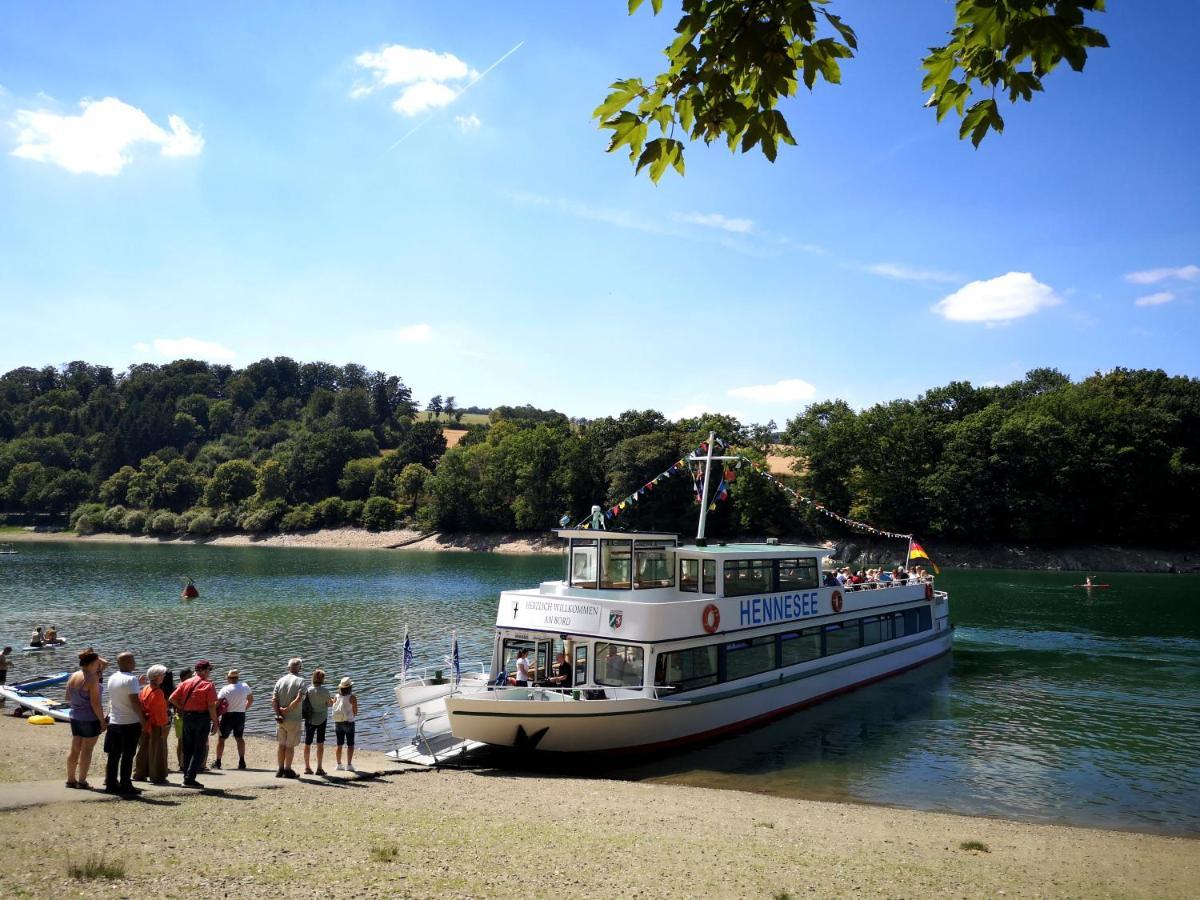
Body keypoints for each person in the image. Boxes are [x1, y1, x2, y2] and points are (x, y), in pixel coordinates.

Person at [169, 660, 218, 788]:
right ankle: (190, 778)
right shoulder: (208, 685)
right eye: (208, 670)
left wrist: (183, 707)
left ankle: (186, 776)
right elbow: (211, 706)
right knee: (199, 749)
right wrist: (216, 722)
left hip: (187, 717)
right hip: (202, 718)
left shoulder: (185, 682)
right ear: (202, 671)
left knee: (188, 748)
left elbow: (172, 698)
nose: (209, 673)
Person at [103, 651, 147, 796]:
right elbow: (134, 702)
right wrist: (143, 719)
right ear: (128, 662)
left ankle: (111, 783)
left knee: (114, 755)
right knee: (128, 755)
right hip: (129, 722)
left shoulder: (112, 677)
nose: (134, 663)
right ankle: (126, 785)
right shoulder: (131, 679)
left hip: (115, 721)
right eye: (133, 660)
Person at [65, 648, 106, 790]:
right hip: (89, 718)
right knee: (87, 750)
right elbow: (95, 703)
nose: (98, 666)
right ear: (91, 664)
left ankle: (70, 780)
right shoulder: (92, 678)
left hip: (75, 716)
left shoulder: (74, 675)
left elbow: (67, 697)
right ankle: (82, 781)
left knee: (75, 749)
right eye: (96, 663)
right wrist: (102, 721)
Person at [134, 665, 170, 784]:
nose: (164, 677)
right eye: (162, 675)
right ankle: (158, 776)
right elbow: (160, 713)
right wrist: (164, 726)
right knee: (158, 750)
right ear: (156, 677)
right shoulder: (158, 692)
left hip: (144, 723)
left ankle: (139, 773)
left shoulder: (145, 689)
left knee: (143, 749)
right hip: (155, 724)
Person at [271, 658, 306, 779]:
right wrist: (288, 709)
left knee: (281, 744)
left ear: (288, 668)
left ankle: (279, 769)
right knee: (290, 746)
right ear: (300, 668)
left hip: (280, 719)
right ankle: (288, 770)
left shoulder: (280, 681)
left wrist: (279, 713)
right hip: (294, 718)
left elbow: (274, 700)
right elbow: (298, 699)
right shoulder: (301, 681)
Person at [214, 669, 253, 771]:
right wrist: (244, 708)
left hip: (228, 716)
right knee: (239, 738)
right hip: (240, 715)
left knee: (221, 739)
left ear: (228, 678)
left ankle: (218, 762)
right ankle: (242, 761)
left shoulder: (225, 689)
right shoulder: (245, 686)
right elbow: (251, 699)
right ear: (237, 677)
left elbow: (217, 703)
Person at [302, 669, 334, 776]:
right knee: (320, 744)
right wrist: (333, 701)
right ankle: (319, 768)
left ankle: (307, 767)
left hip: (310, 719)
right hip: (322, 718)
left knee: (307, 743)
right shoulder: (325, 691)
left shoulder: (308, 690)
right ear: (322, 679)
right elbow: (329, 704)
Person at [332, 677, 358, 773]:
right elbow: (355, 712)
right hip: (349, 722)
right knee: (350, 745)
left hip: (338, 722)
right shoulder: (352, 697)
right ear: (350, 687)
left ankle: (338, 764)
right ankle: (349, 765)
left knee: (339, 744)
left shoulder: (336, 696)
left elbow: (334, 708)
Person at [173, 667, 192, 770]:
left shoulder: (184, 686)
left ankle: (183, 763)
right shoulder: (180, 686)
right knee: (182, 741)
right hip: (181, 717)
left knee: (183, 741)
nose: (192, 677)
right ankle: (181, 764)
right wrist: (182, 707)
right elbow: (172, 699)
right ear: (184, 677)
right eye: (190, 675)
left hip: (181, 716)